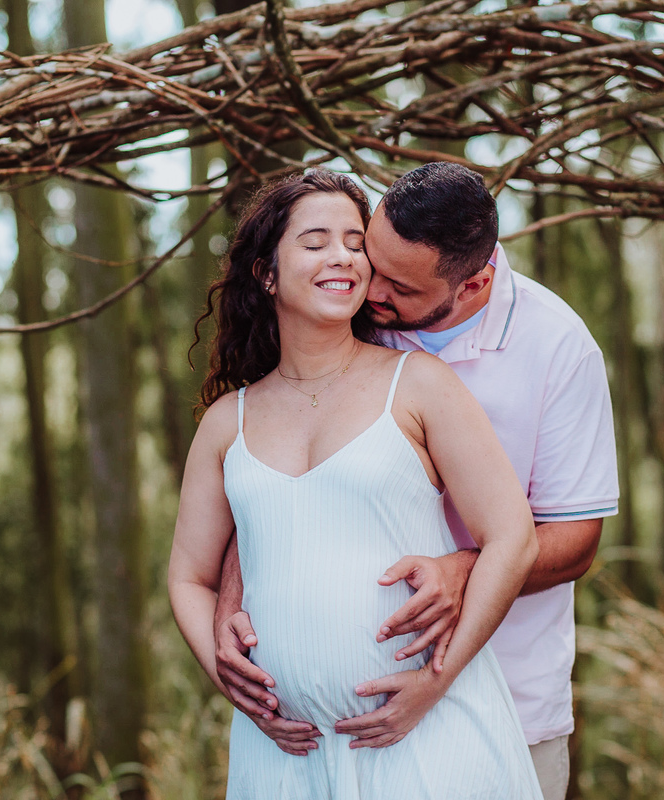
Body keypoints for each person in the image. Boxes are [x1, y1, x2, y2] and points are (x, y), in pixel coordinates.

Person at [214, 162, 619, 800]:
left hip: (512, 695)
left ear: (474, 282)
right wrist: (231, 599)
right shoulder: (354, 309)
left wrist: (462, 567)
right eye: (373, 259)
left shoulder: (560, 348)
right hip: (324, 732)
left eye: (399, 287)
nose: (370, 290)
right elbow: (274, 478)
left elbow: (578, 537)